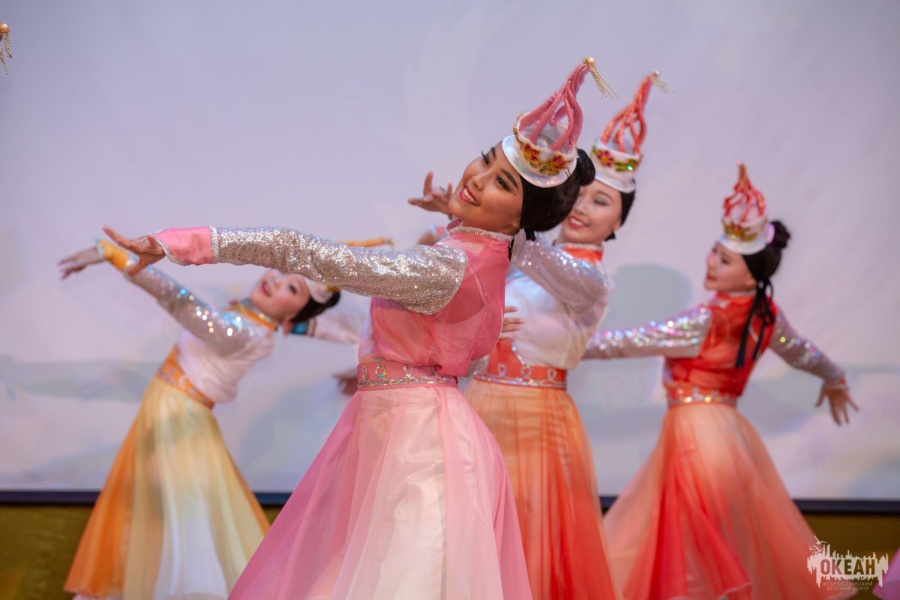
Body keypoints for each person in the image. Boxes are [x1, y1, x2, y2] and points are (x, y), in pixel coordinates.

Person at [104, 58, 612, 599]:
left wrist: (182, 244)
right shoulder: (475, 255)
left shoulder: (448, 266)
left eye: (501, 183)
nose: (477, 179)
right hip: (400, 429)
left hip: (420, 447)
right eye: (486, 161)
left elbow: (303, 253)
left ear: (517, 220)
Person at [409, 71, 665, 599]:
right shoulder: (521, 262)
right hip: (478, 404)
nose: (582, 208)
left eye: (601, 202)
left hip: (537, 422)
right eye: (578, 197)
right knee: (462, 532)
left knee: (526, 541)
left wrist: (494, 219)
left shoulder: (589, 281)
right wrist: (458, 218)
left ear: (619, 223)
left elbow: (544, 263)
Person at [583, 164, 859, 599]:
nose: (711, 261)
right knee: (715, 541)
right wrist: (835, 379)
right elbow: (804, 353)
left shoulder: (705, 319)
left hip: (696, 435)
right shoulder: (767, 316)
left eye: (724, 259)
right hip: (731, 439)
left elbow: (626, 342)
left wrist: (562, 345)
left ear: (750, 275)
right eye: (715, 252)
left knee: (691, 548)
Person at [59, 238, 339, 600]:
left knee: (182, 525)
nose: (276, 280)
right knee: (160, 519)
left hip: (179, 420)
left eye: (293, 287)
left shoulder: (244, 333)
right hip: (173, 413)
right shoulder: (249, 319)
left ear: (291, 318)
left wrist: (116, 256)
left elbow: (181, 301)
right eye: (282, 271)